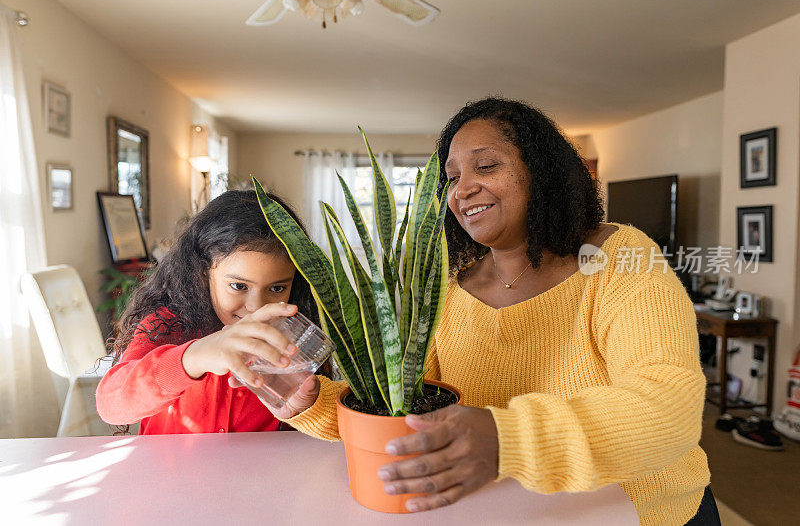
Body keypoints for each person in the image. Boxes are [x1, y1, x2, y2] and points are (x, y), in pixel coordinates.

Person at [265, 98, 719, 526]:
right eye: (452, 176)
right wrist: (313, 403)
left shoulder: (618, 258)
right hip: (510, 513)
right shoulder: (448, 288)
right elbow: (405, 409)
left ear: (541, 173)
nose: (463, 189)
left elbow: (669, 405)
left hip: (642, 514)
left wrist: (507, 438)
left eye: (486, 165)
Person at [96, 190, 319, 434]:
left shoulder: (296, 341)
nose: (256, 307)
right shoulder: (167, 323)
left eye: (277, 288)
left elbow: (316, 425)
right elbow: (110, 404)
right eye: (238, 286)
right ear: (203, 272)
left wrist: (306, 410)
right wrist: (194, 357)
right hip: (170, 471)